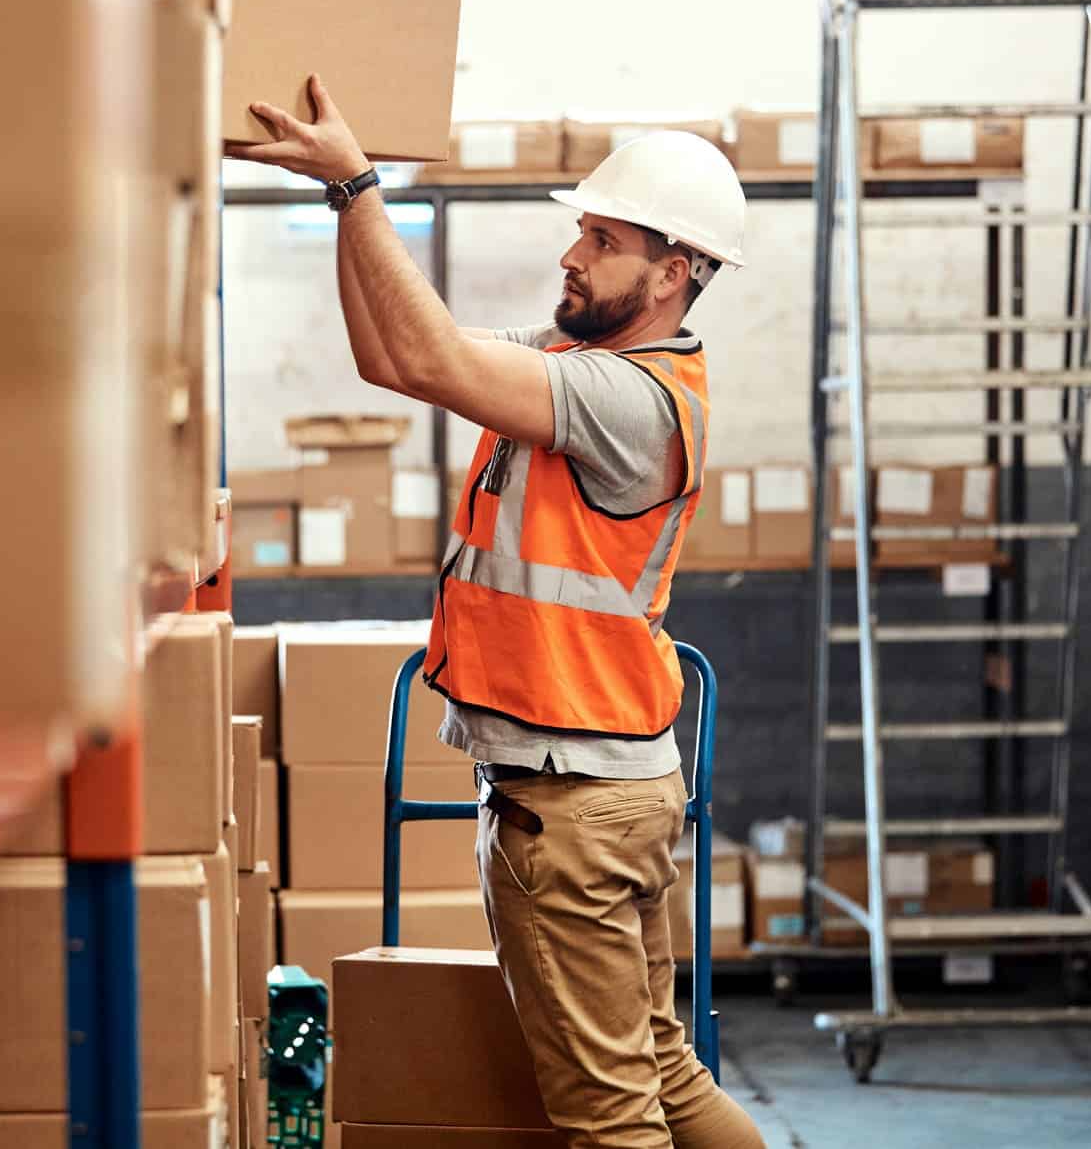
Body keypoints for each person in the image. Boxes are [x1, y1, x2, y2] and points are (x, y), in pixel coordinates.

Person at [238, 78, 764, 1149]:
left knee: (608, 1117)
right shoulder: (581, 361)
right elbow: (396, 356)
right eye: (580, 230)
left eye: (603, 238)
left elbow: (428, 356)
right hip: (612, 786)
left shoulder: (627, 401)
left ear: (673, 275)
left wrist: (357, 183)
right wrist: (349, 209)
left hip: (570, 804)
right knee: (661, 1069)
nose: (572, 254)